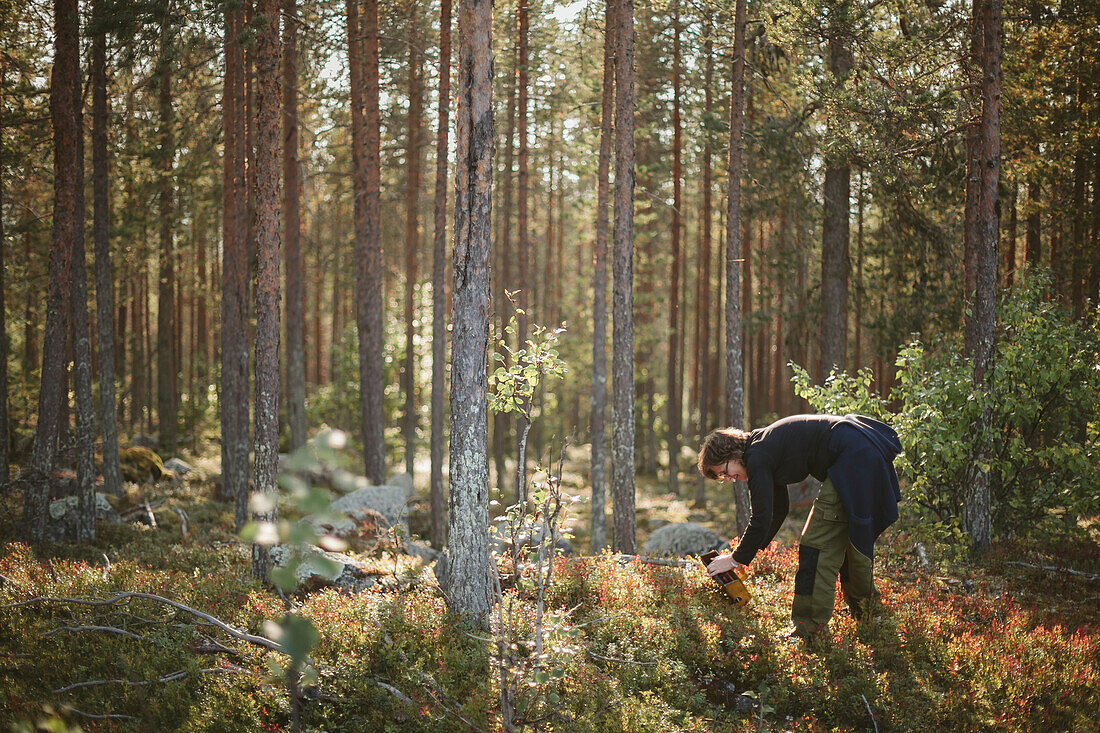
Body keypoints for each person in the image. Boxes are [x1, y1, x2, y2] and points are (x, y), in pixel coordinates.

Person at [697, 414, 902, 640]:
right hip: (861, 453)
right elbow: (778, 510)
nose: (728, 479)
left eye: (725, 471)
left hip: (853, 459)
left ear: (731, 453)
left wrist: (735, 559)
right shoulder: (763, 446)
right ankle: (869, 615)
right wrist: (750, 553)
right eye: (722, 477)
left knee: (815, 547)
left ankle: (808, 631)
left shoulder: (757, 456)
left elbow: (761, 517)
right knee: (848, 542)